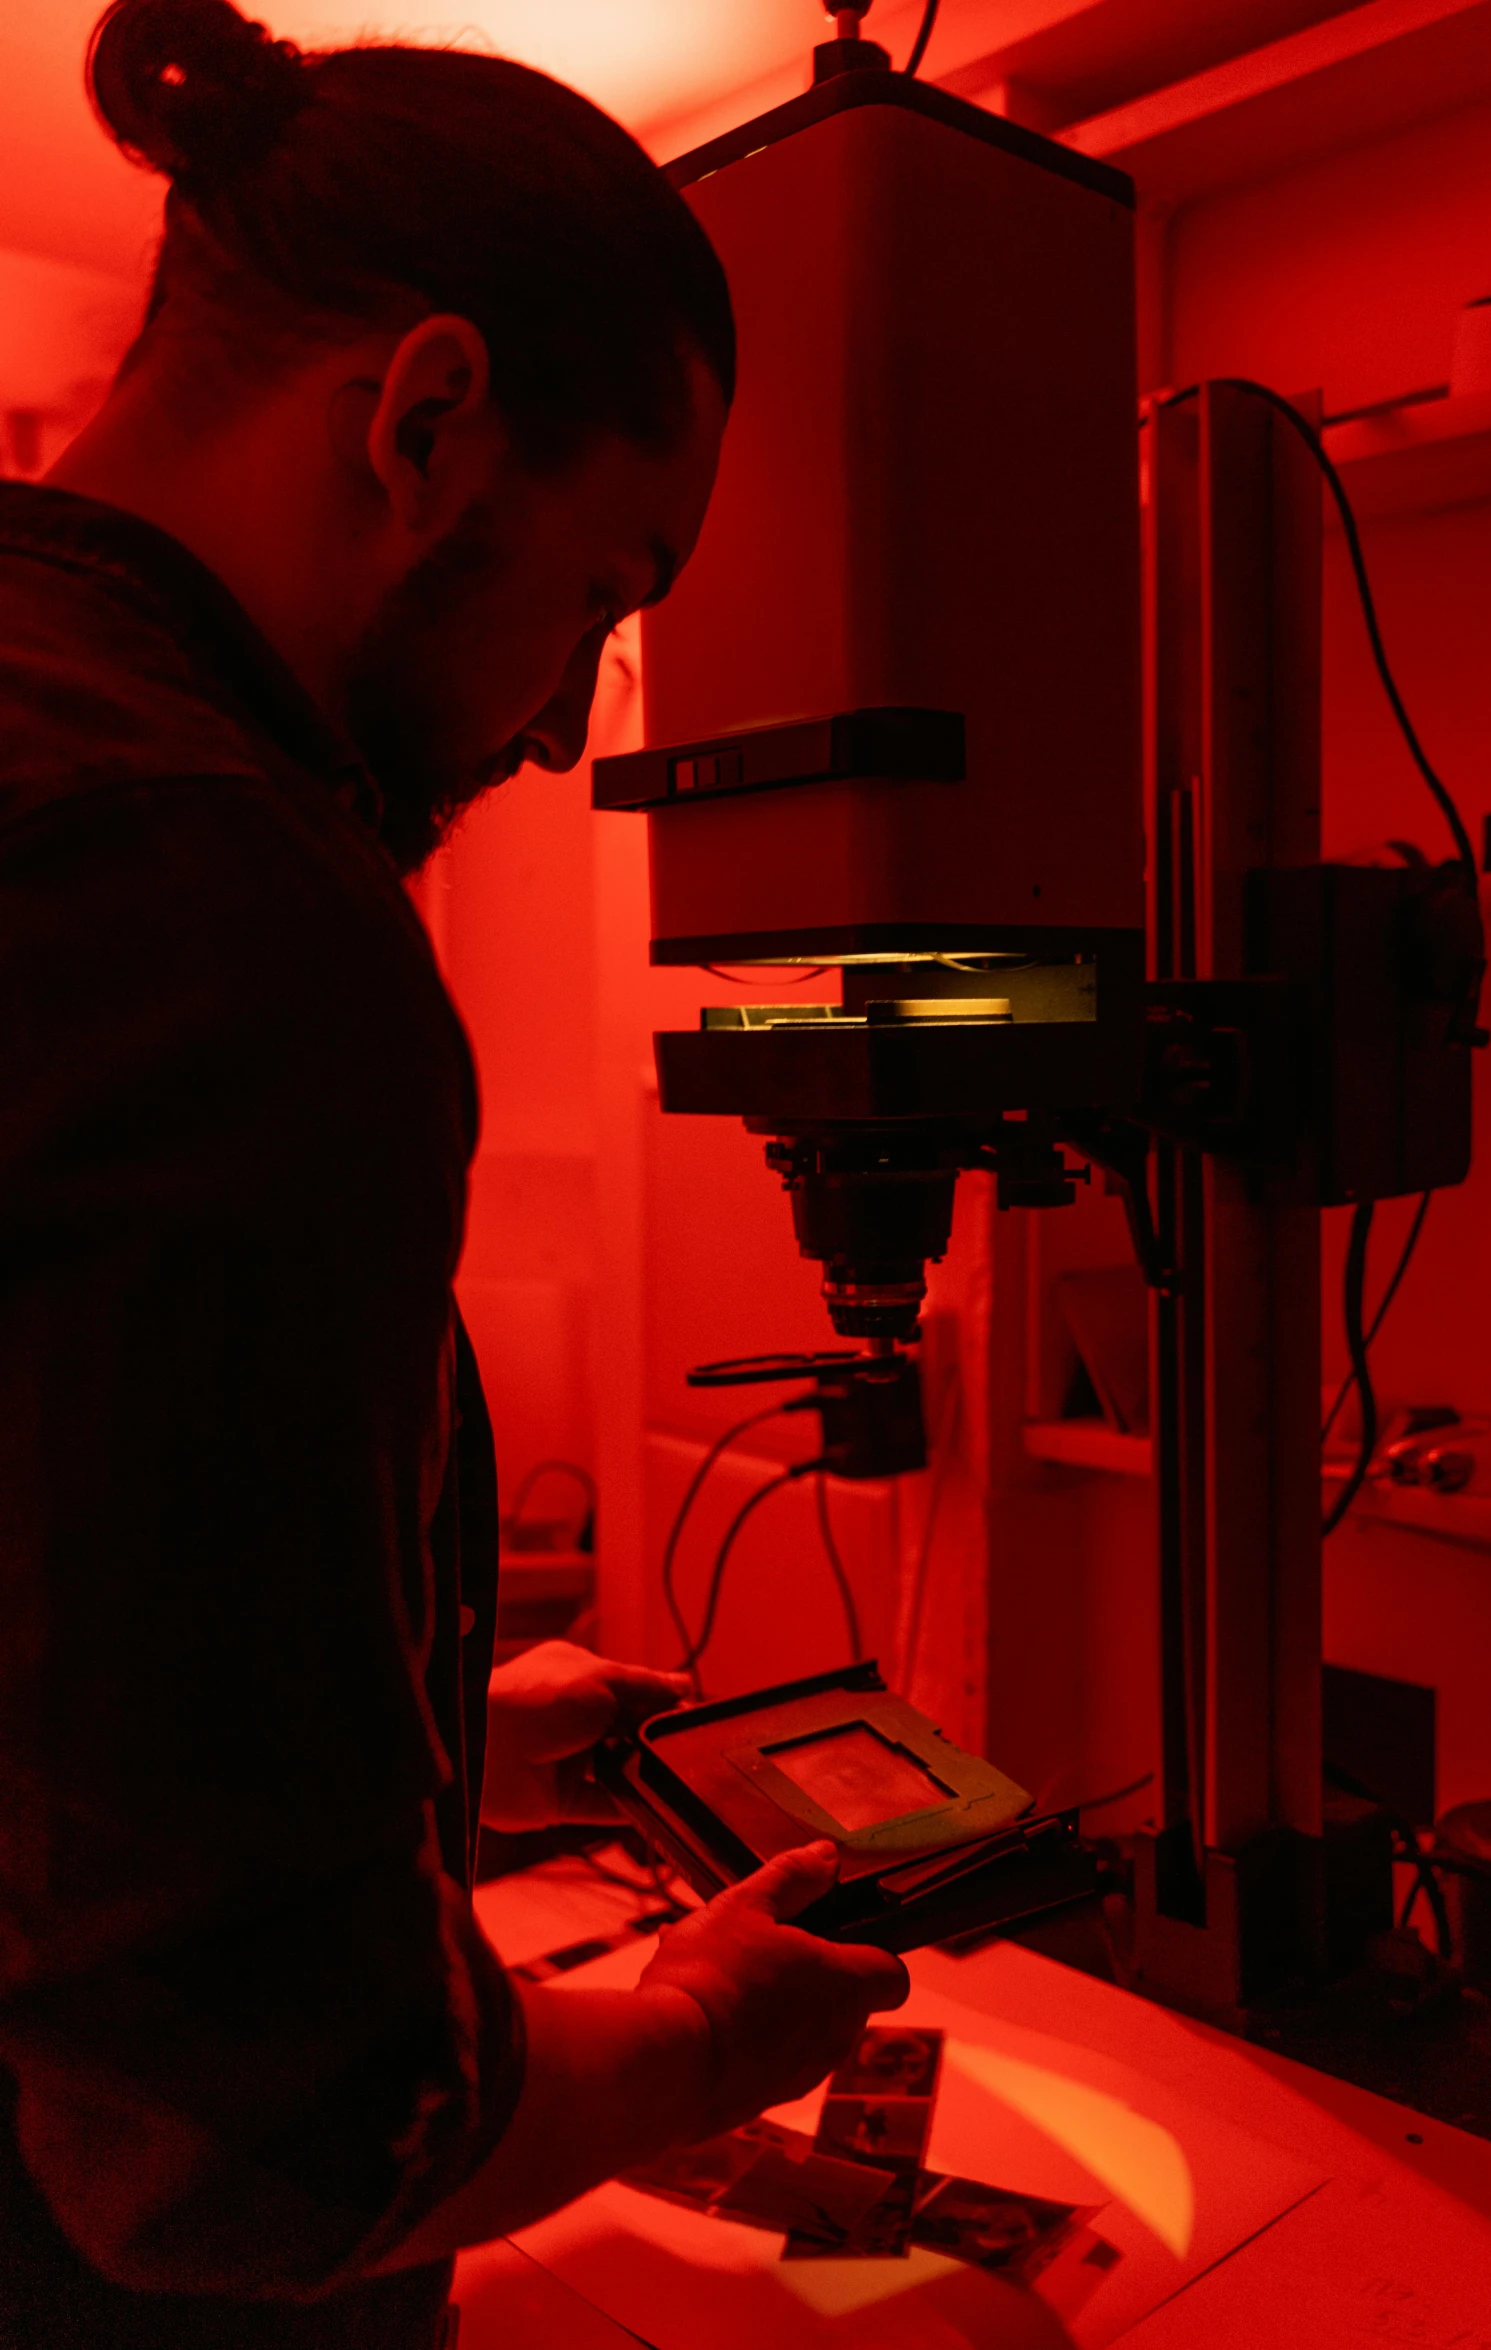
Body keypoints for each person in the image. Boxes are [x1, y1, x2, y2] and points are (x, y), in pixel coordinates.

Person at [0, 4, 909, 2344]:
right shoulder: (219, 908)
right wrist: (699, 2029)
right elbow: (268, 2142)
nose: (559, 718)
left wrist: (400, 1725)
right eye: (609, 594)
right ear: (424, 421)